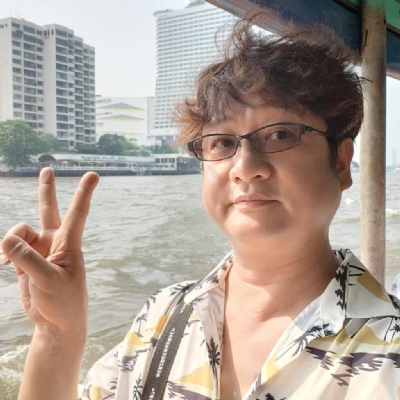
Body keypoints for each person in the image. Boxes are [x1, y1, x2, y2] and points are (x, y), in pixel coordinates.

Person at [1, 17, 400, 400]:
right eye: (222, 143)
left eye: (280, 134)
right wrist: (57, 334)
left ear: (340, 163)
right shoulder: (162, 318)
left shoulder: (389, 352)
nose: (245, 167)